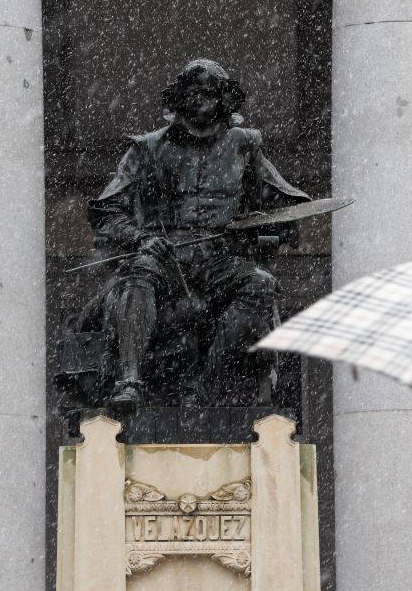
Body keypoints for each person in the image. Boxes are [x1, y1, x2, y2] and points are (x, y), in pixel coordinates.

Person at [87, 58, 309, 410]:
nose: (199, 99)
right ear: (178, 98)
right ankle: (129, 381)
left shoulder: (245, 146)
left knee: (261, 284)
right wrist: (140, 238)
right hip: (164, 254)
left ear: (224, 99)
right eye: (191, 92)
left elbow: (285, 204)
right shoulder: (148, 148)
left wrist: (271, 230)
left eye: (208, 92)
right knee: (138, 273)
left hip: (220, 260)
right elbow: (106, 210)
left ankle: (204, 384)